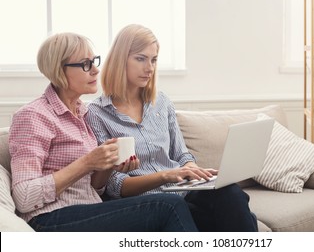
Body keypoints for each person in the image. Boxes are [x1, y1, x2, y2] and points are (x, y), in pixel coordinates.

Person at [8, 32, 198, 232]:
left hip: (90, 208)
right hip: (50, 218)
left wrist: (108, 166)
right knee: (167, 205)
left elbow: (94, 187)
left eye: (94, 62)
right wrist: (87, 162)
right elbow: (24, 197)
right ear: (59, 70)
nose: (96, 70)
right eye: (85, 64)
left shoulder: (81, 113)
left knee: (194, 201)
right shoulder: (33, 116)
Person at [86, 24, 258, 232]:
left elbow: (181, 154)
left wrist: (194, 170)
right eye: (140, 58)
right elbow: (115, 186)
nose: (149, 68)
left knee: (230, 193)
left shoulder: (162, 102)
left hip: (182, 192)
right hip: (150, 204)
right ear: (120, 59)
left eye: (154, 59)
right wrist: (166, 176)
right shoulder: (97, 113)